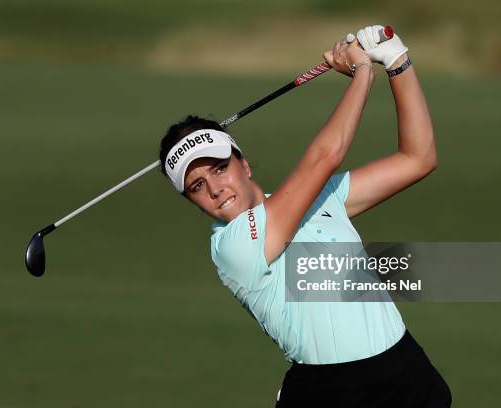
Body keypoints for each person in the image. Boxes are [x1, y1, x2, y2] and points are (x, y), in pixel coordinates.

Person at [159, 25, 451, 407]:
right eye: (195, 186)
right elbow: (325, 156)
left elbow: (418, 158)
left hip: (404, 370)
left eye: (218, 168)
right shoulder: (232, 247)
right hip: (332, 390)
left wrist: (396, 60)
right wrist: (362, 72)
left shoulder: (316, 199)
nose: (214, 189)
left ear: (243, 165)